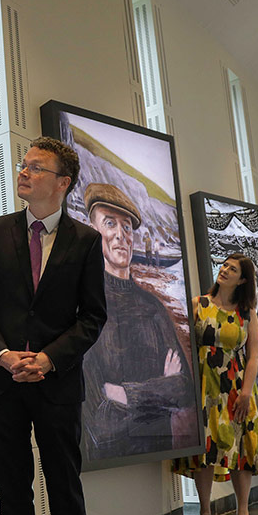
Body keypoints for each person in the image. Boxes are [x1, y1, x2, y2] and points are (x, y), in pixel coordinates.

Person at [0, 137, 121, 515]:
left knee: (65, 485)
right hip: (4, 383)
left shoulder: (85, 241)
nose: (23, 172)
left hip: (57, 383)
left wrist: (49, 359)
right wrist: (2, 354)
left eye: (35, 168)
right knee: (13, 486)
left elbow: (92, 317)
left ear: (62, 182)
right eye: (22, 165)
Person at [81, 183, 195, 462]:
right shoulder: (85, 306)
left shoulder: (152, 307)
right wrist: (160, 392)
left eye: (127, 227)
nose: (121, 235)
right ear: (93, 231)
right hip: (108, 453)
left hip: (156, 450)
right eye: (110, 224)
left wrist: (125, 393)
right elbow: (97, 414)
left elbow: (184, 389)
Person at [172, 253, 258, 515]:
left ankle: (243, 512)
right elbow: (182, 345)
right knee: (205, 449)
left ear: (243, 279)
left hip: (237, 387)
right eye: (225, 266)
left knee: (242, 447)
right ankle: (205, 512)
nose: (225, 271)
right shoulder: (198, 304)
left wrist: (245, 392)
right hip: (203, 385)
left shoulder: (247, 313)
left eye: (233, 269)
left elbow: (253, 357)